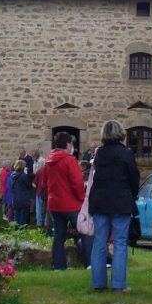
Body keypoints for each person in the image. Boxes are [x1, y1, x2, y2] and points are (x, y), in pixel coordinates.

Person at [88, 120, 140, 292]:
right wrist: (132, 195)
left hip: (100, 200)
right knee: (119, 242)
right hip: (120, 200)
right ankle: (118, 284)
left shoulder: (99, 154)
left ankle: (98, 283)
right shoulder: (126, 153)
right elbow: (134, 177)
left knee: (99, 242)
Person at [43, 131, 90, 269]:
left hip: (54, 204)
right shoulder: (70, 160)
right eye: (71, 144)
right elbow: (77, 183)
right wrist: (82, 199)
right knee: (85, 231)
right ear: (68, 144)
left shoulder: (48, 161)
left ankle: (58, 266)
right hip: (71, 204)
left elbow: (45, 183)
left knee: (58, 235)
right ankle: (91, 263)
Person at [11, 158, 35, 225]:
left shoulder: (12, 175)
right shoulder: (23, 176)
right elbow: (29, 186)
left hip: (15, 198)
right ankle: (21, 232)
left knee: (16, 216)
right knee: (23, 217)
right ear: (23, 167)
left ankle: (16, 232)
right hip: (24, 199)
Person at [32, 150, 48, 228]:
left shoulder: (39, 171)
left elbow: (34, 184)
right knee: (47, 210)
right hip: (48, 193)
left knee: (39, 209)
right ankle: (46, 223)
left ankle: (39, 223)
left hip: (39, 192)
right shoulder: (51, 172)